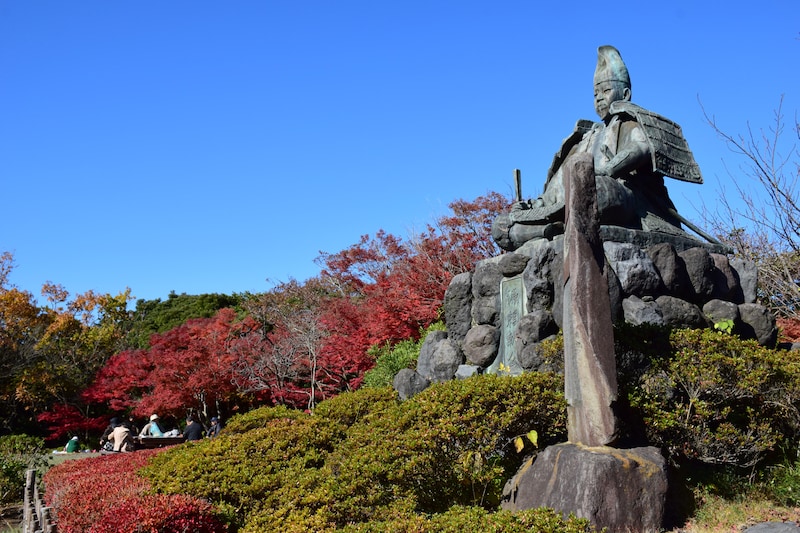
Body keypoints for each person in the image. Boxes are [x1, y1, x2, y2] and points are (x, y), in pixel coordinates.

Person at [491, 45, 703, 252]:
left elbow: (642, 148)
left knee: (595, 191)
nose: (599, 98)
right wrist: (533, 205)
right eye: (595, 94)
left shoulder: (629, 122)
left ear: (625, 94)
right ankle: (550, 229)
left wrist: (607, 170)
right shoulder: (584, 138)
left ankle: (560, 224)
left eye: (606, 91)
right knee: (500, 225)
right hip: (569, 203)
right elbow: (558, 185)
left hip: (624, 195)